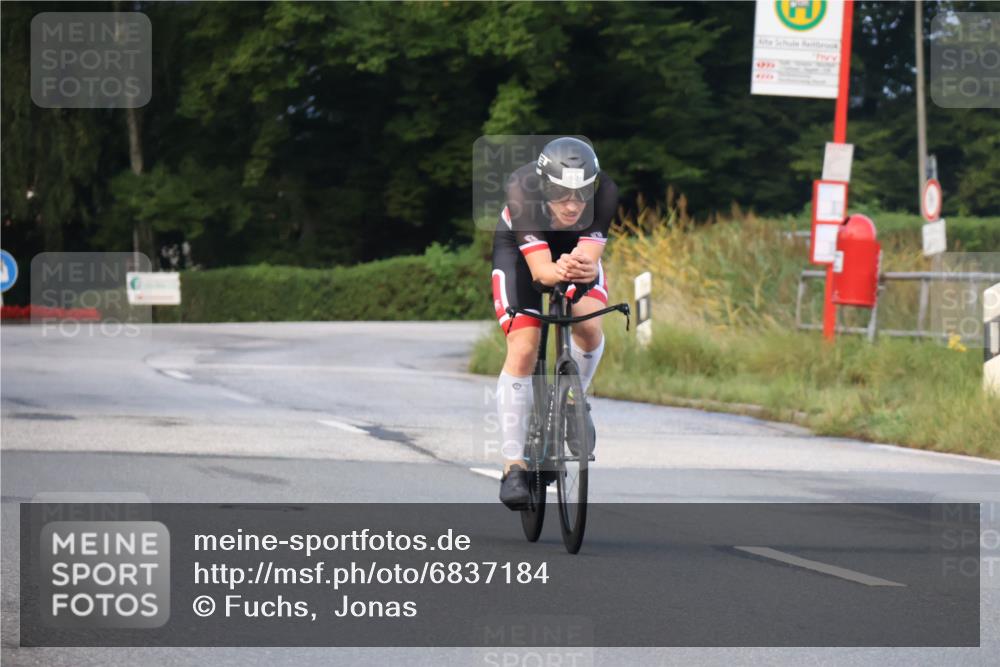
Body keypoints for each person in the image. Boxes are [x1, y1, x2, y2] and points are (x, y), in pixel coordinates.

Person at [490, 137, 618, 510]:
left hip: (573, 251)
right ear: (544, 186)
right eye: (562, 195)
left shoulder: (606, 191)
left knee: (590, 328)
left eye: (581, 196)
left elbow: (590, 258)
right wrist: (556, 271)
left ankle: (575, 399)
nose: (573, 205)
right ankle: (514, 465)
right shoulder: (522, 188)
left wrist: (580, 268)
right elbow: (541, 272)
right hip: (522, 253)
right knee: (525, 345)